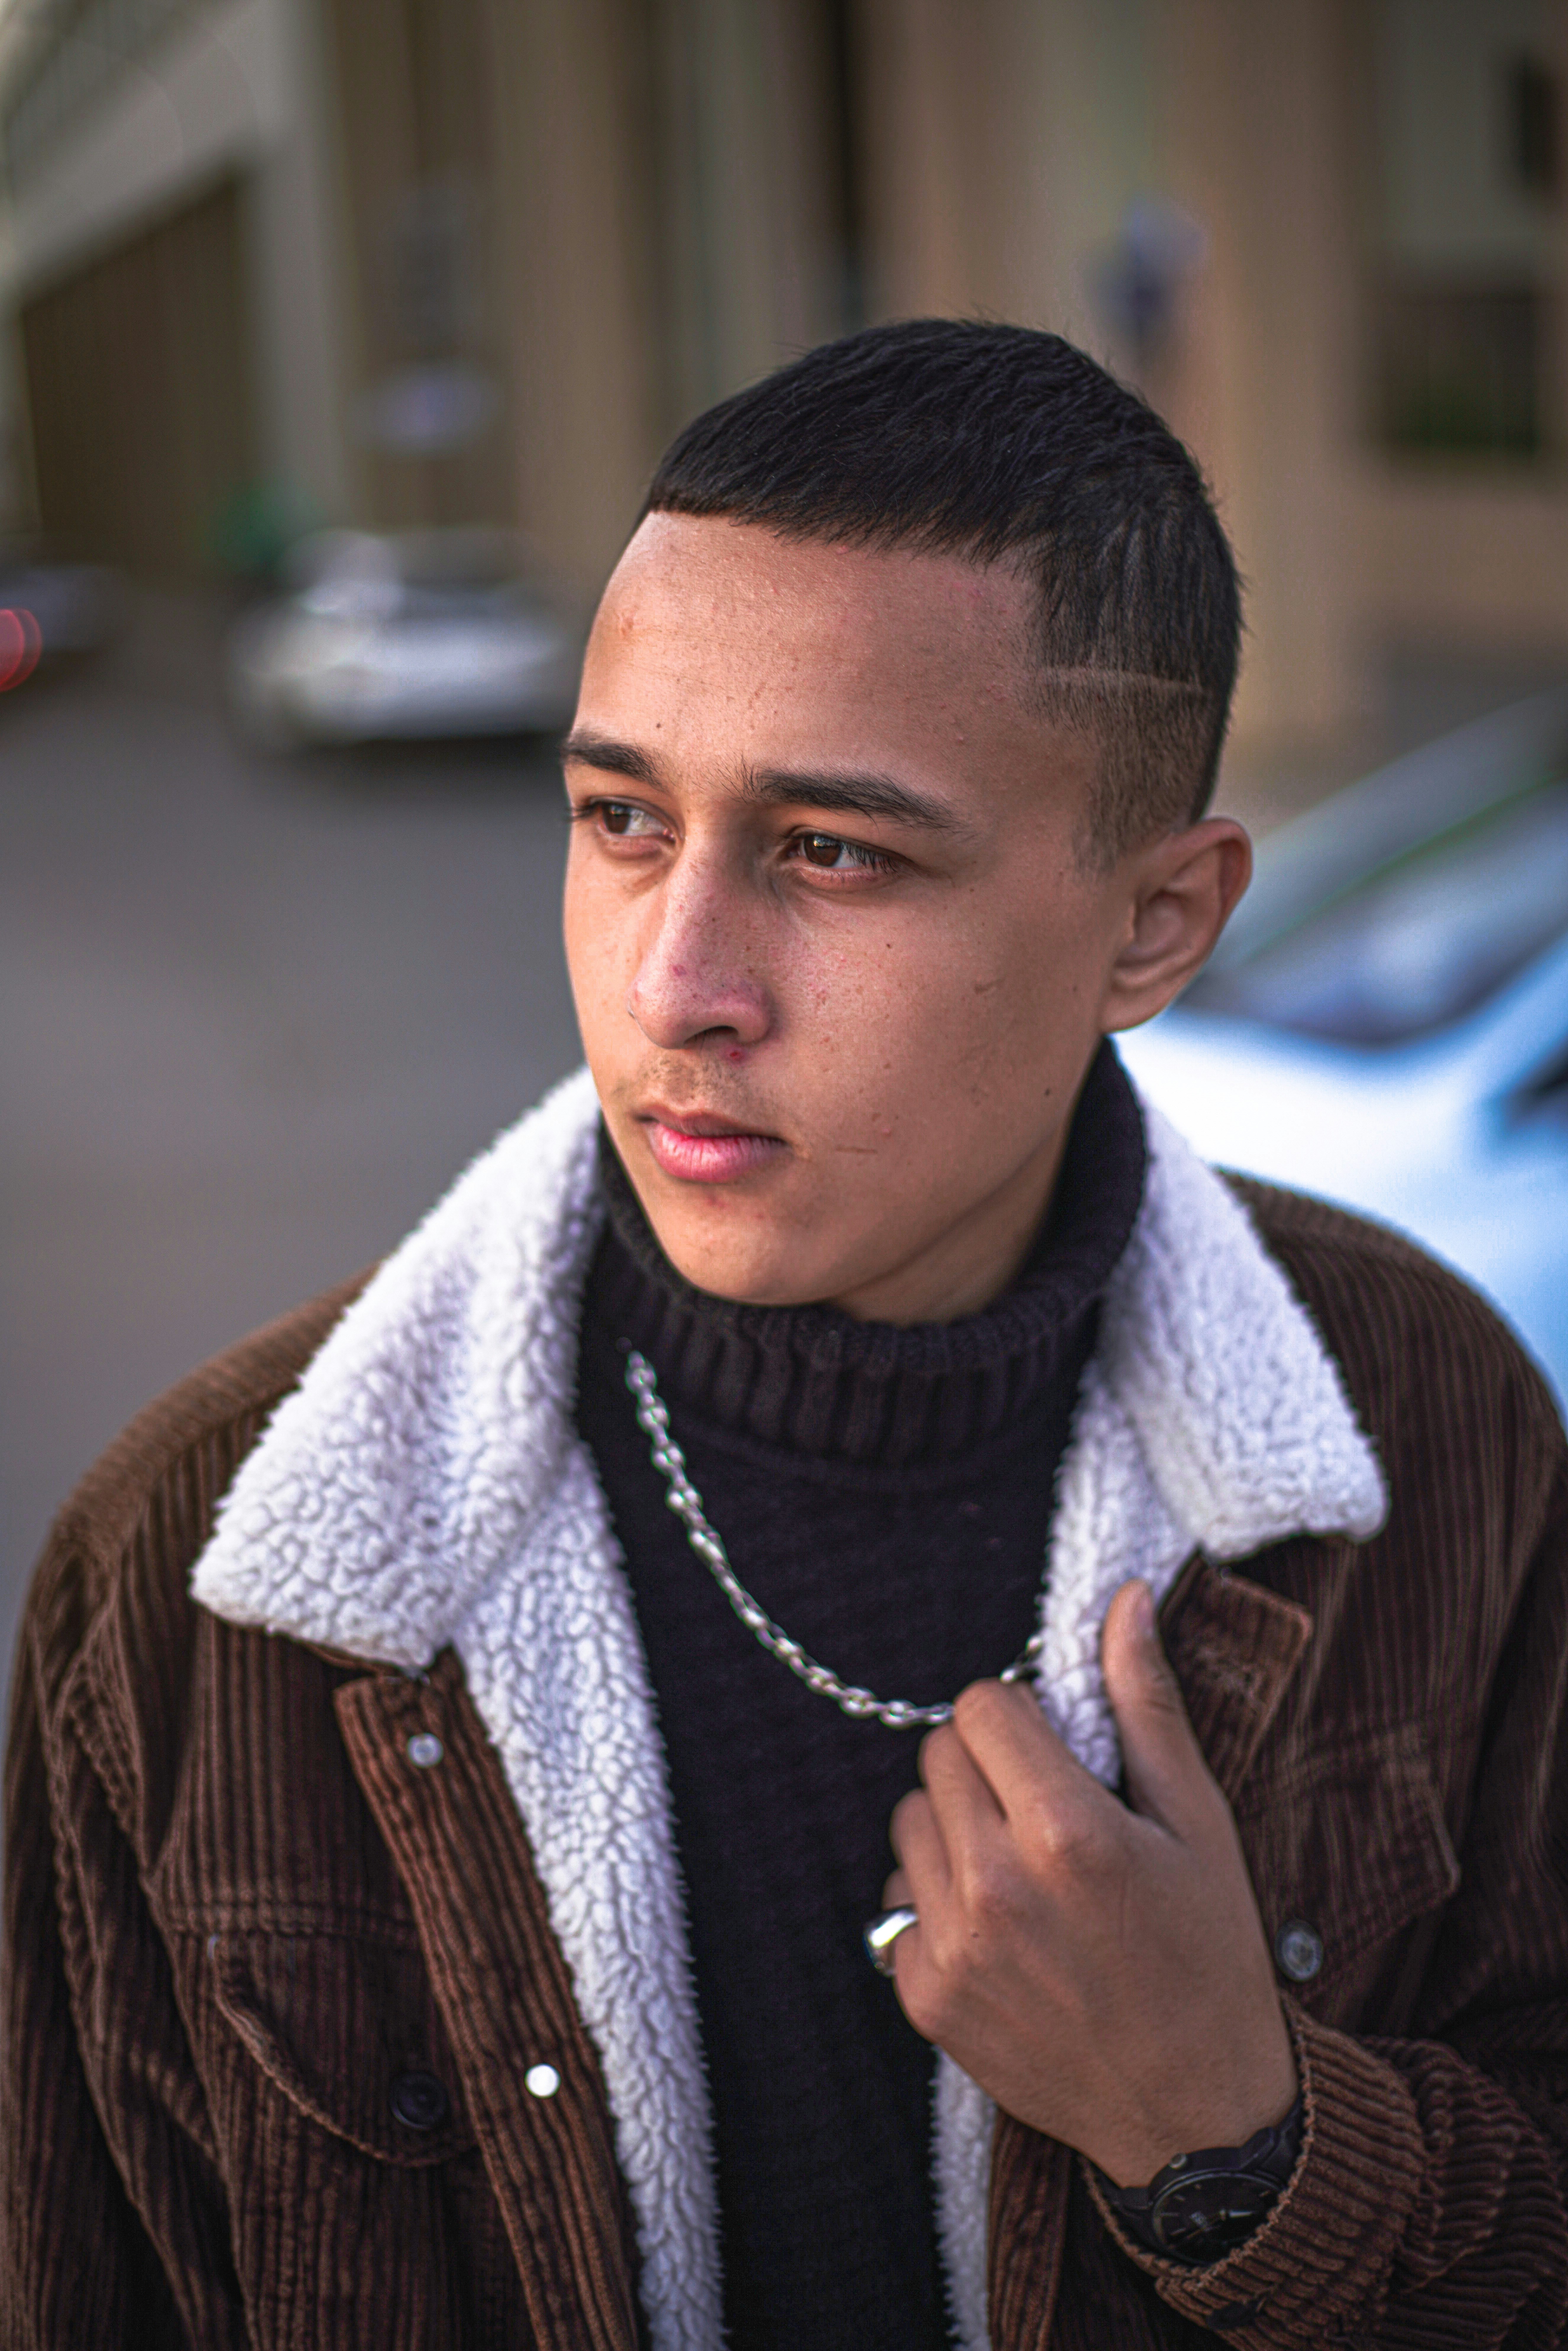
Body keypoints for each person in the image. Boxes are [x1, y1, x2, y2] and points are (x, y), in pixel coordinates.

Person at [3, 321, 1565, 2351]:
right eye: (622, 821)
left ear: (1155, 925)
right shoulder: (195, 1581)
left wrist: (1239, 2140)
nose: (678, 984)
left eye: (833, 853)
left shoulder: (1427, 1427)